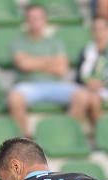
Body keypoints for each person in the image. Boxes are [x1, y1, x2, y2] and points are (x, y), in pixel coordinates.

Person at [7, 4, 84, 137]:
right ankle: (24, 139)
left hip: (54, 84)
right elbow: (23, 64)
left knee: (82, 96)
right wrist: (49, 61)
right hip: (28, 85)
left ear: (45, 20)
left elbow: (62, 68)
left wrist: (33, 61)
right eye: (31, 18)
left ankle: (67, 136)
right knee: (14, 98)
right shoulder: (18, 41)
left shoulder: (55, 41)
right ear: (26, 20)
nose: (35, 21)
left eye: (38, 18)